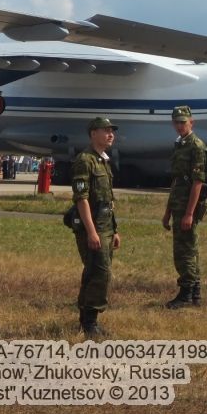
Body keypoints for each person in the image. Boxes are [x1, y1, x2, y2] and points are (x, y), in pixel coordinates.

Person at [70, 117, 121, 338]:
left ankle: (87, 319)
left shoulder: (104, 161)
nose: (110, 134)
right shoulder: (85, 160)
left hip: (106, 226)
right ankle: (89, 321)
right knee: (100, 273)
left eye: (112, 131)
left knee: (96, 272)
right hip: (94, 228)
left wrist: (115, 229)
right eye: (105, 131)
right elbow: (81, 199)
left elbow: (108, 199)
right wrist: (91, 231)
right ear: (93, 134)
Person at [162, 106, 207, 309]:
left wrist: (189, 213)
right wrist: (168, 211)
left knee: (185, 251)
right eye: (177, 122)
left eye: (183, 122)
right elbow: (176, 181)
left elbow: (198, 182)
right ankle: (195, 292)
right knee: (189, 249)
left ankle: (186, 293)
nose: (180, 126)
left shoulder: (196, 146)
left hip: (188, 205)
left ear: (192, 122)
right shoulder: (180, 145)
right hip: (179, 203)